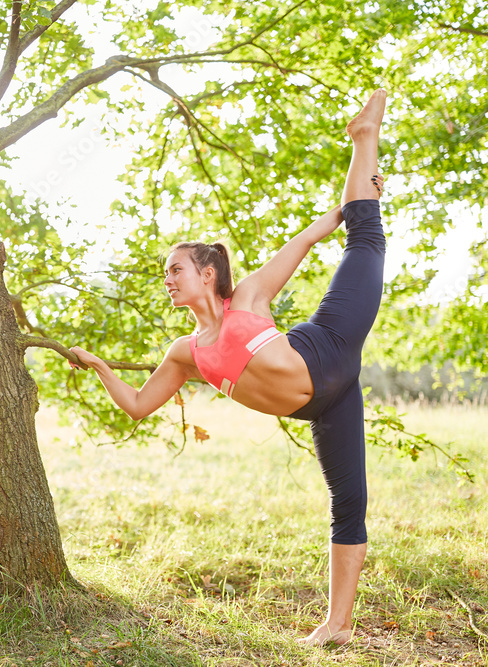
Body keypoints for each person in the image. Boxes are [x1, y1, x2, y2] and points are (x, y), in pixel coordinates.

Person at [69, 89, 388, 646]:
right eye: (165, 272)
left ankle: (365, 136)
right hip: (325, 402)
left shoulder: (249, 298)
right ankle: (338, 626)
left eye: (175, 270)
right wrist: (98, 364)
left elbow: (312, 237)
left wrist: (360, 199)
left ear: (208, 275)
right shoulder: (185, 353)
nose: (167, 279)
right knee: (348, 502)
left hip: (330, 342)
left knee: (364, 235)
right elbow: (140, 407)